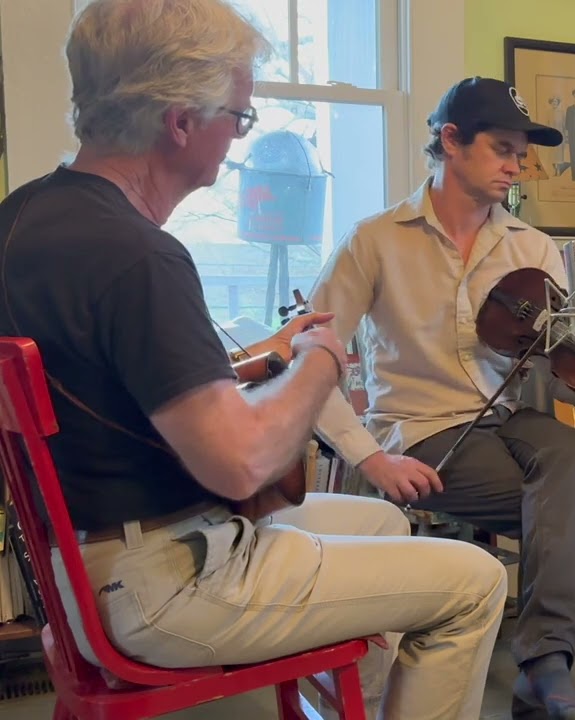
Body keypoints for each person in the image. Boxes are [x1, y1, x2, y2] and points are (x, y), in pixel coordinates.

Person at [0, 2, 510, 718]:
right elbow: (239, 464)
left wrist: (271, 358)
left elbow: (125, 388)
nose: (240, 138)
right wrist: (321, 361)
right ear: (181, 122)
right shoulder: (138, 256)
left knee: (383, 524)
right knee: (476, 580)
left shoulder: (23, 218)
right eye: (239, 118)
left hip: (78, 572)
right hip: (168, 585)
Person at [310, 76, 575, 720]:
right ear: (451, 142)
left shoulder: (533, 247)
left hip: (507, 420)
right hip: (421, 433)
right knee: (562, 498)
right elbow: (311, 364)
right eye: (502, 148)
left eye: (523, 153)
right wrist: (369, 458)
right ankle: (544, 671)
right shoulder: (374, 240)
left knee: (570, 453)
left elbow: (563, 365)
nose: (517, 166)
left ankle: (544, 661)